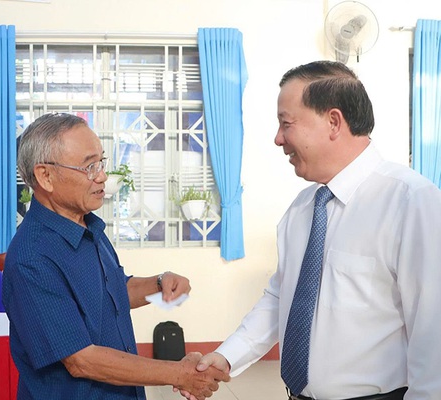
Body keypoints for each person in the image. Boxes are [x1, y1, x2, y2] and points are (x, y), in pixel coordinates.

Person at [186, 61, 441, 400]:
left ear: (333, 122)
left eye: (286, 123)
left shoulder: (411, 201)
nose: (278, 139)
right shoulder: (303, 208)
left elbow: (433, 328)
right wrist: (228, 356)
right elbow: (282, 297)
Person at [1, 113, 230, 400]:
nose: (102, 176)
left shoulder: (88, 227)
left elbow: (109, 292)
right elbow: (82, 360)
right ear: (45, 176)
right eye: (89, 167)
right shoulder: (32, 258)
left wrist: (158, 283)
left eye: (101, 162)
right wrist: (179, 373)